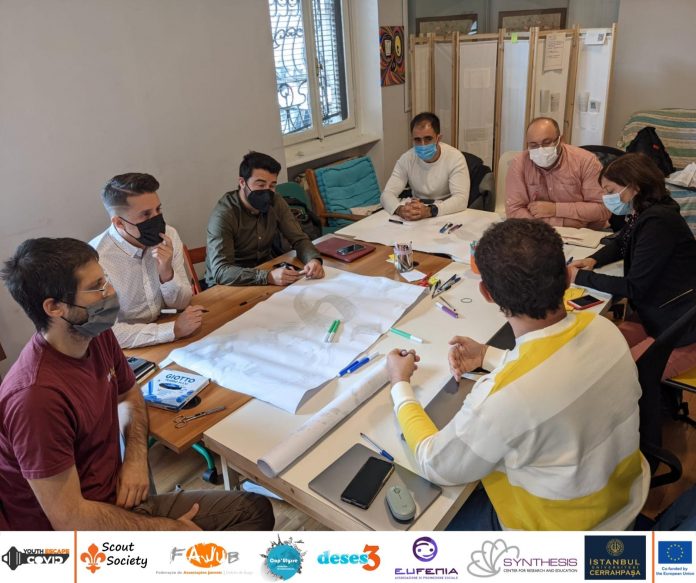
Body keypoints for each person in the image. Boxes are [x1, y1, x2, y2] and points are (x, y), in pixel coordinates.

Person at [386, 219, 649, 530]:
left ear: (486, 293)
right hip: (625, 503)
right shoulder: (604, 328)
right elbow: (557, 373)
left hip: (562, 539)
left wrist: (400, 384)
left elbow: (435, 463)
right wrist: (487, 355)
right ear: (567, 276)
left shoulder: (504, 400)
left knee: (422, 527)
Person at [0, 238, 274, 531]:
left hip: (113, 498)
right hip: (74, 538)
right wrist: (168, 531)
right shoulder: (35, 399)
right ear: (55, 307)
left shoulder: (96, 334)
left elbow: (129, 393)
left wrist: (134, 458)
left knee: (253, 510)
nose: (111, 292)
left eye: (106, 280)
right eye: (97, 287)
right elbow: (71, 520)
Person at [570, 153, 696, 378]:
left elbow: (633, 287)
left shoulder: (658, 222)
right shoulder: (647, 211)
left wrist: (578, 277)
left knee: (618, 376)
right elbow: (622, 241)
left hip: (683, 328)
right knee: (596, 355)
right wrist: (594, 260)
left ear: (634, 186)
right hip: (661, 311)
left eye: (610, 191)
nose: (606, 197)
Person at [90, 173, 205, 349]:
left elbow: (181, 304)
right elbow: (107, 332)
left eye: (158, 210)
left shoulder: (169, 235)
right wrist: (172, 330)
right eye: (145, 214)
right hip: (131, 346)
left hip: (167, 317)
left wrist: (166, 272)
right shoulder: (95, 259)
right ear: (119, 223)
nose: (156, 219)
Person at [205, 152, 324, 287]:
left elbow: (299, 239)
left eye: (272, 185)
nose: (267, 192)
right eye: (260, 185)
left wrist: (313, 260)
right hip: (228, 283)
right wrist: (267, 276)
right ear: (242, 182)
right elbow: (221, 271)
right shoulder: (224, 215)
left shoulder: (276, 202)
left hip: (265, 271)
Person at [506, 117, 610, 229]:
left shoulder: (586, 161)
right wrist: (563, 222)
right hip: (538, 230)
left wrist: (555, 209)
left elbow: (603, 209)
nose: (540, 150)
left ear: (561, 140)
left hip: (589, 231)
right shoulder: (519, 163)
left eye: (546, 143)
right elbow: (514, 211)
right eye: (534, 145)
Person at [380, 112, 471, 221]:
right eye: (417, 140)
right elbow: (387, 194)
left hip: (445, 213)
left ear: (438, 138)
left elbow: (461, 199)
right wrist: (400, 210)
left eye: (428, 139)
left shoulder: (455, 158)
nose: (423, 145)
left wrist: (429, 211)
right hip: (415, 212)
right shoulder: (406, 159)